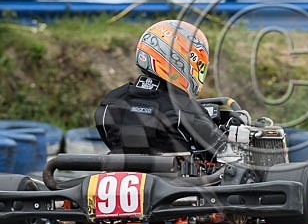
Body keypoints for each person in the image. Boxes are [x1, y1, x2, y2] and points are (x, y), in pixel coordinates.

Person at [94, 20, 230, 158]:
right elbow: (221, 151)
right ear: (179, 60)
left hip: (118, 176)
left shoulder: (111, 102)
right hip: (175, 178)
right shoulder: (185, 110)